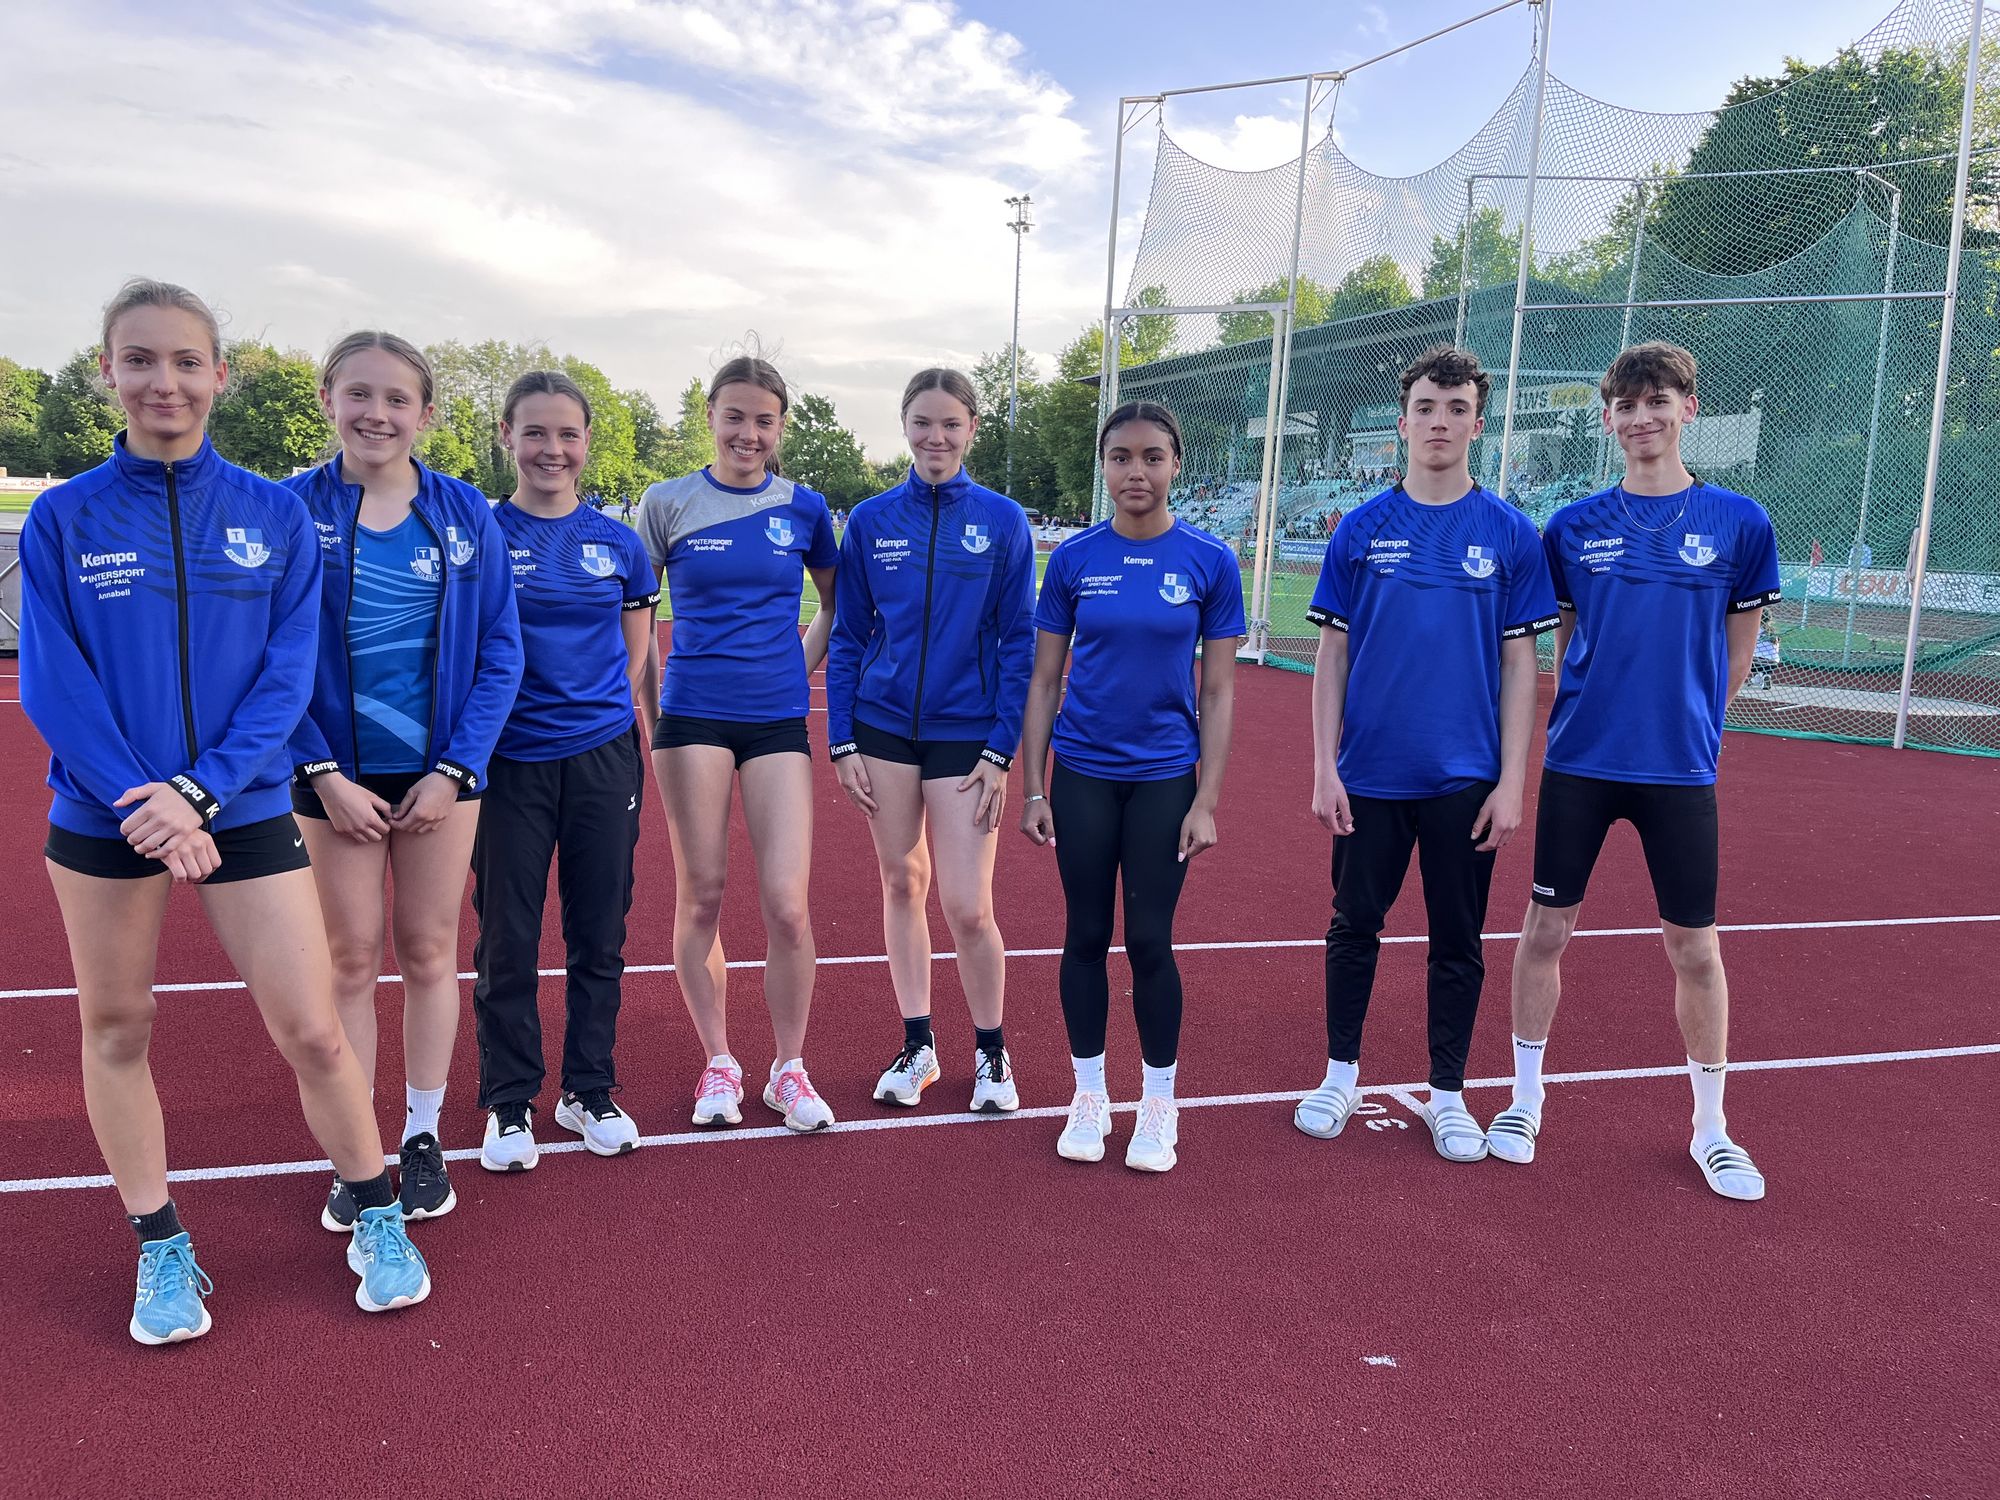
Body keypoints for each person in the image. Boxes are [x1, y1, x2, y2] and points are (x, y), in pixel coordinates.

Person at [19, 280, 431, 1342]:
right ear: (106, 371)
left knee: (314, 1029)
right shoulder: (64, 517)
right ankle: (161, 1246)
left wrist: (199, 794)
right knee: (118, 1026)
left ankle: (376, 1213)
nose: (164, 382)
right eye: (140, 360)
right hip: (107, 813)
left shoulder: (273, 514)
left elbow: (286, 678)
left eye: (186, 361)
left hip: (239, 804)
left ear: (220, 375)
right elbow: (54, 681)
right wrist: (145, 802)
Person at [1486, 342, 1781, 1202]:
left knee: (1694, 946)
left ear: (1689, 408)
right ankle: (1525, 1102)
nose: (1642, 417)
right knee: (1545, 931)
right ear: (1609, 418)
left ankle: (1711, 1128)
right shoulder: (1572, 527)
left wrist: (1691, 720)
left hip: (1680, 768)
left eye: (1659, 401)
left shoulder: (1740, 523)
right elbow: (1568, 637)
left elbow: (1737, 652)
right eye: (1627, 404)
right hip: (1581, 760)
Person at [1293, 346, 1557, 1162]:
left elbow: (1522, 666)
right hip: (1370, 774)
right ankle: (1340, 1075)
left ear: (1478, 424)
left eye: (1457, 409)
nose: (1440, 422)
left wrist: (1512, 782)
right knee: (1353, 926)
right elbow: (1332, 656)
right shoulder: (1361, 528)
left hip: (1465, 779)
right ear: (1402, 422)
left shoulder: (1510, 533)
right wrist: (1325, 767)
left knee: (1458, 940)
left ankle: (1448, 1094)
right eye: (1426, 408)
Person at [287, 332, 522, 1229]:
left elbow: (500, 649)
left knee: (427, 953)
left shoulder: (463, 513)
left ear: (425, 412)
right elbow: (267, 659)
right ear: (328, 398)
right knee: (348, 960)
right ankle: (357, 1152)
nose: (377, 414)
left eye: (397, 399)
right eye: (359, 394)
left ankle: (422, 1135)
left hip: (441, 778)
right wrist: (322, 773)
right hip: (331, 777)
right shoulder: (288, 510)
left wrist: (455, 771)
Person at [1019, 401, 1242, 1172]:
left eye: (1152, 456)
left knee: (1149, 941)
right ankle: (1089, 1095)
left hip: (1164, 779)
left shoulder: (1210, 560)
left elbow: (1219, 691)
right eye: (1120, 457)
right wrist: (1034, 788)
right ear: (1104, 467)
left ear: (1177, 464)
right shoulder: (1075, 560)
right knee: (1085, 935)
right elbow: (1044, 681)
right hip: (1082, 773)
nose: (1136, 471)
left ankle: (1157, 1102)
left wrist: (1207, 799)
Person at [637, 355, 838, 1132]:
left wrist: (795, 668)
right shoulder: (667, 502)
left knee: (787, 903)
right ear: (712, 417)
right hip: (692, 719)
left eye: (763, 420)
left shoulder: (806, 508)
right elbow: (637, 619)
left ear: (780, 426)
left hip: (776, 720)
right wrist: (653, 713)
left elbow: (834, 607)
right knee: (703, 893)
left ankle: (790, 1068)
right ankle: (719, 1060)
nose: (748, 433)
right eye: (735, 416)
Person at [825, 369, 1035, 1113]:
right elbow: (849, 635)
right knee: (901, 883)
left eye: (950, 423)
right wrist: (841, 738)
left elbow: (1018, 642)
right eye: (922, 422)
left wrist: (1001, 748)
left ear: (973, 428)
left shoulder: (1004, 521)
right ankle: (918, 1044)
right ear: (905, 425)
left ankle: (992, 1052)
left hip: (967, 737)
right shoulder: (872, 520)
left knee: (968, 906)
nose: (935, 436)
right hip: (882, 729)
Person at [472, 372, 658, 1171]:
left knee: (599, 932)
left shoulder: (619, 543)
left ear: (587, 443)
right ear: (507, 437)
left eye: (568, 434)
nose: (553, 449)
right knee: (507, 938)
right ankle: (509, 1099)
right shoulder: (480, 533)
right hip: (506, 759)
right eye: (535, 433)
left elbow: (636, 650)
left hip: (602, 757)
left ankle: (588, 1087)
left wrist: (600, 715)